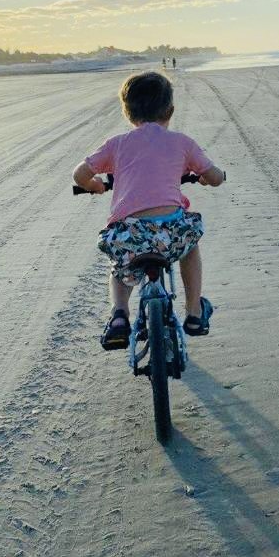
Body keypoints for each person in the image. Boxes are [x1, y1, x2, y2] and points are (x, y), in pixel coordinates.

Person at [73, 71, 225, 350]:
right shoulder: (182, 142)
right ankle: (194, 312)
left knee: (120, 266)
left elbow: (80, 174)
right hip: (171, 233)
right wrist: (210, 177)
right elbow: (214, 177)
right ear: (170, 110)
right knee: (191, 244)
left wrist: (95, 186)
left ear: (127, 112)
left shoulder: (117, 144)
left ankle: (119, 314)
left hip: (130, 234)